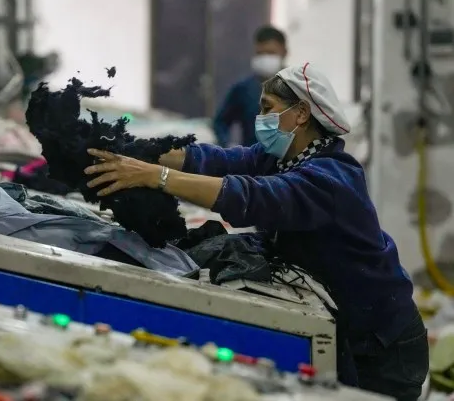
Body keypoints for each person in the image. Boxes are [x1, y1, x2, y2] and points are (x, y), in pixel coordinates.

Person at [83, 63, 429, 401]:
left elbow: (252, 197)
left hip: (385, 347)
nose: (259, 118)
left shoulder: (333, 177)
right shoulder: (280, 159)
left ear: (302, 113)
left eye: (268, 109)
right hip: (355, 326)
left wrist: (153, 177)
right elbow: (214, 160)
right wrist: (133, 151)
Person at [212, 25, 288, 148]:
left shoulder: (298, 87)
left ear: (284, 52)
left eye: (270, 53)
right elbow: (220, 122)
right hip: (253, 161)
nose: (265, 58)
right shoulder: (244, 89)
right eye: (260, 53)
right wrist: (228, 145)